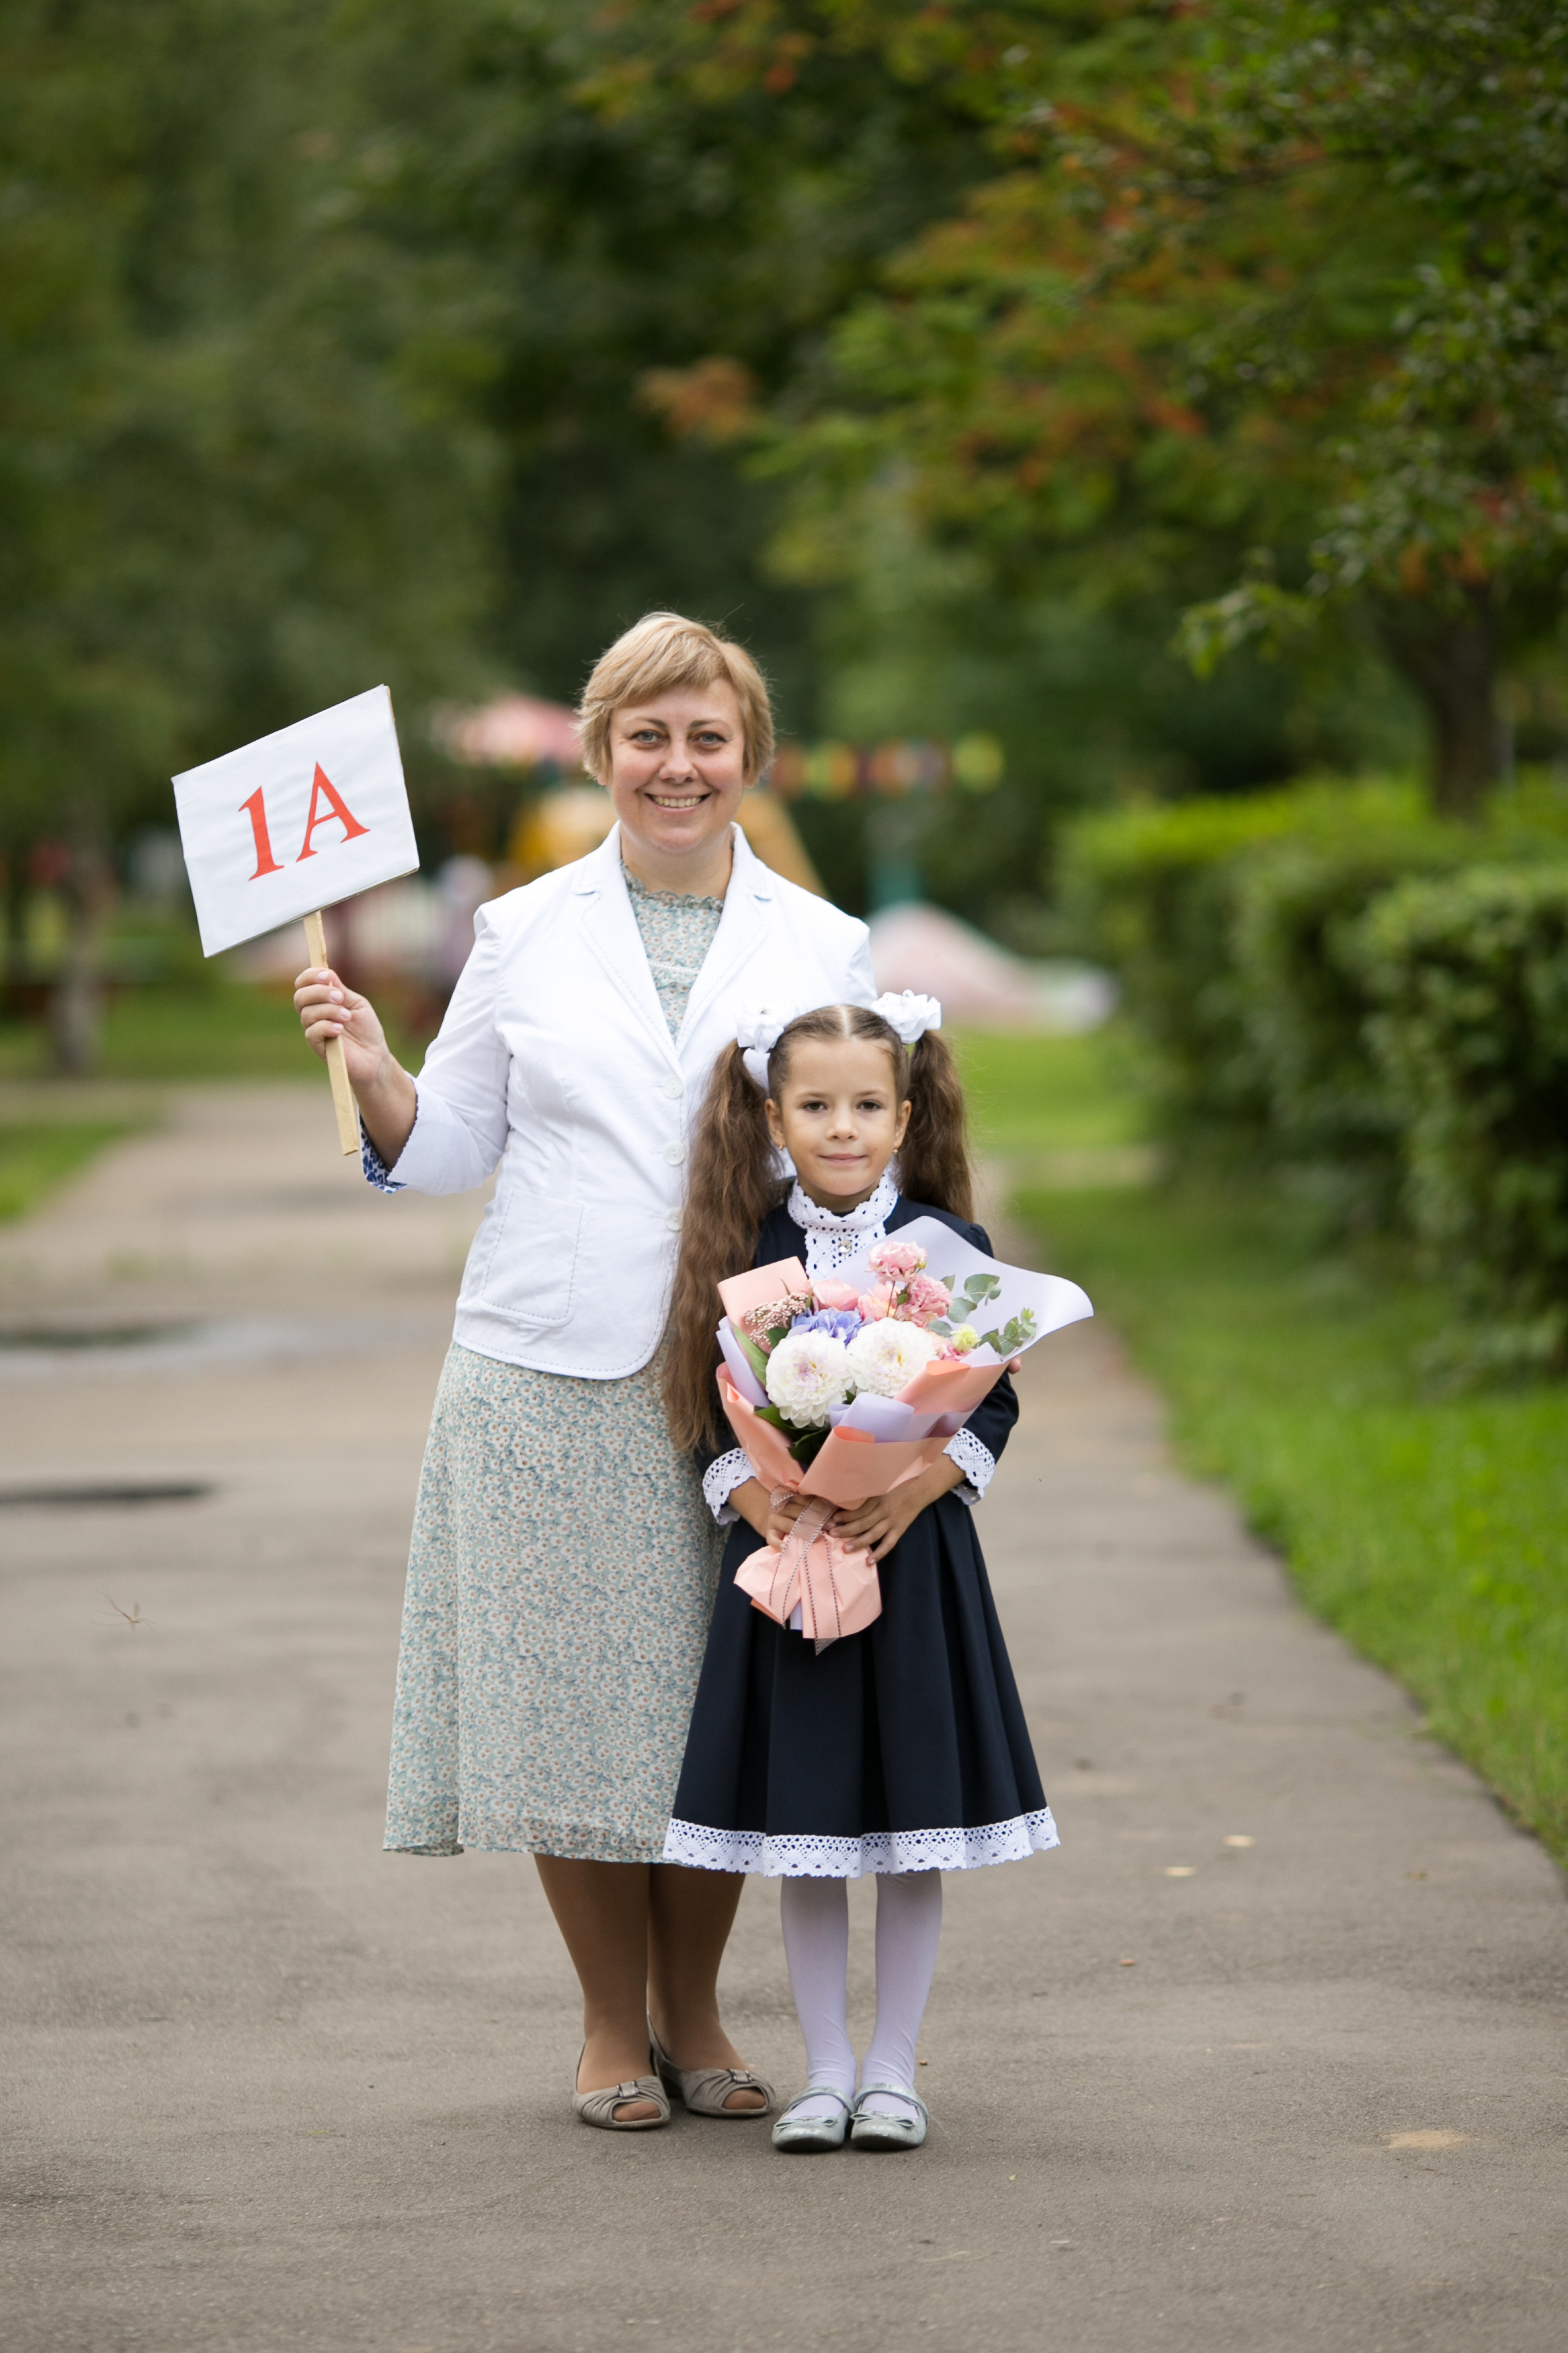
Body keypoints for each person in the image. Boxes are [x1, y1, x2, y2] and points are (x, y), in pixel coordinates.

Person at [292, 613, 876, 2130]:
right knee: (575, 1708)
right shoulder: (521, 930)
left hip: (757, 1383)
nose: (675, 766)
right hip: (544, 1373)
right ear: (600, 750)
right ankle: (613, 2022)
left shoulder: (828, 947)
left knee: (722, 1705)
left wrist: (883, 1374)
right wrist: (371, 1071)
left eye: (705, 738)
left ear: (750, 755)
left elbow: (866, 1163)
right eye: (645, 736)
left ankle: (699, 2009)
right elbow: (455, 1151)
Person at [659, 999, 1057, 2151]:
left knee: (909, 1824)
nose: (843, 1128)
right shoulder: (744, 1251)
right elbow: (709, 1402)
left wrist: (916, 1488)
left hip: (908, 1559)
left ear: (907, 1113)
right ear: (774, 1118)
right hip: (787, 1567)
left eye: (867, 1105)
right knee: (813, 1823)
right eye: (816, 1106)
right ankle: (822, 2073)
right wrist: (753, 1495)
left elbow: (993, 1393)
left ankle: (893, 2072)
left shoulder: (944, 1251)